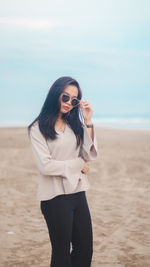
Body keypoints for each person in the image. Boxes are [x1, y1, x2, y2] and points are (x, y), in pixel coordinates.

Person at [28, 76, 98, 267]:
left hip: (78, 192)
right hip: (54, 197)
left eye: (74, 100)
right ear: (55, 94)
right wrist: (77, 164)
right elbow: (46, 166)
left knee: (85, 249)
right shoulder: (37, 128)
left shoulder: (75, 125)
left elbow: (89, 154)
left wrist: (88, 120)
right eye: (65, 97)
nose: (69, 103)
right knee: (61, 254)